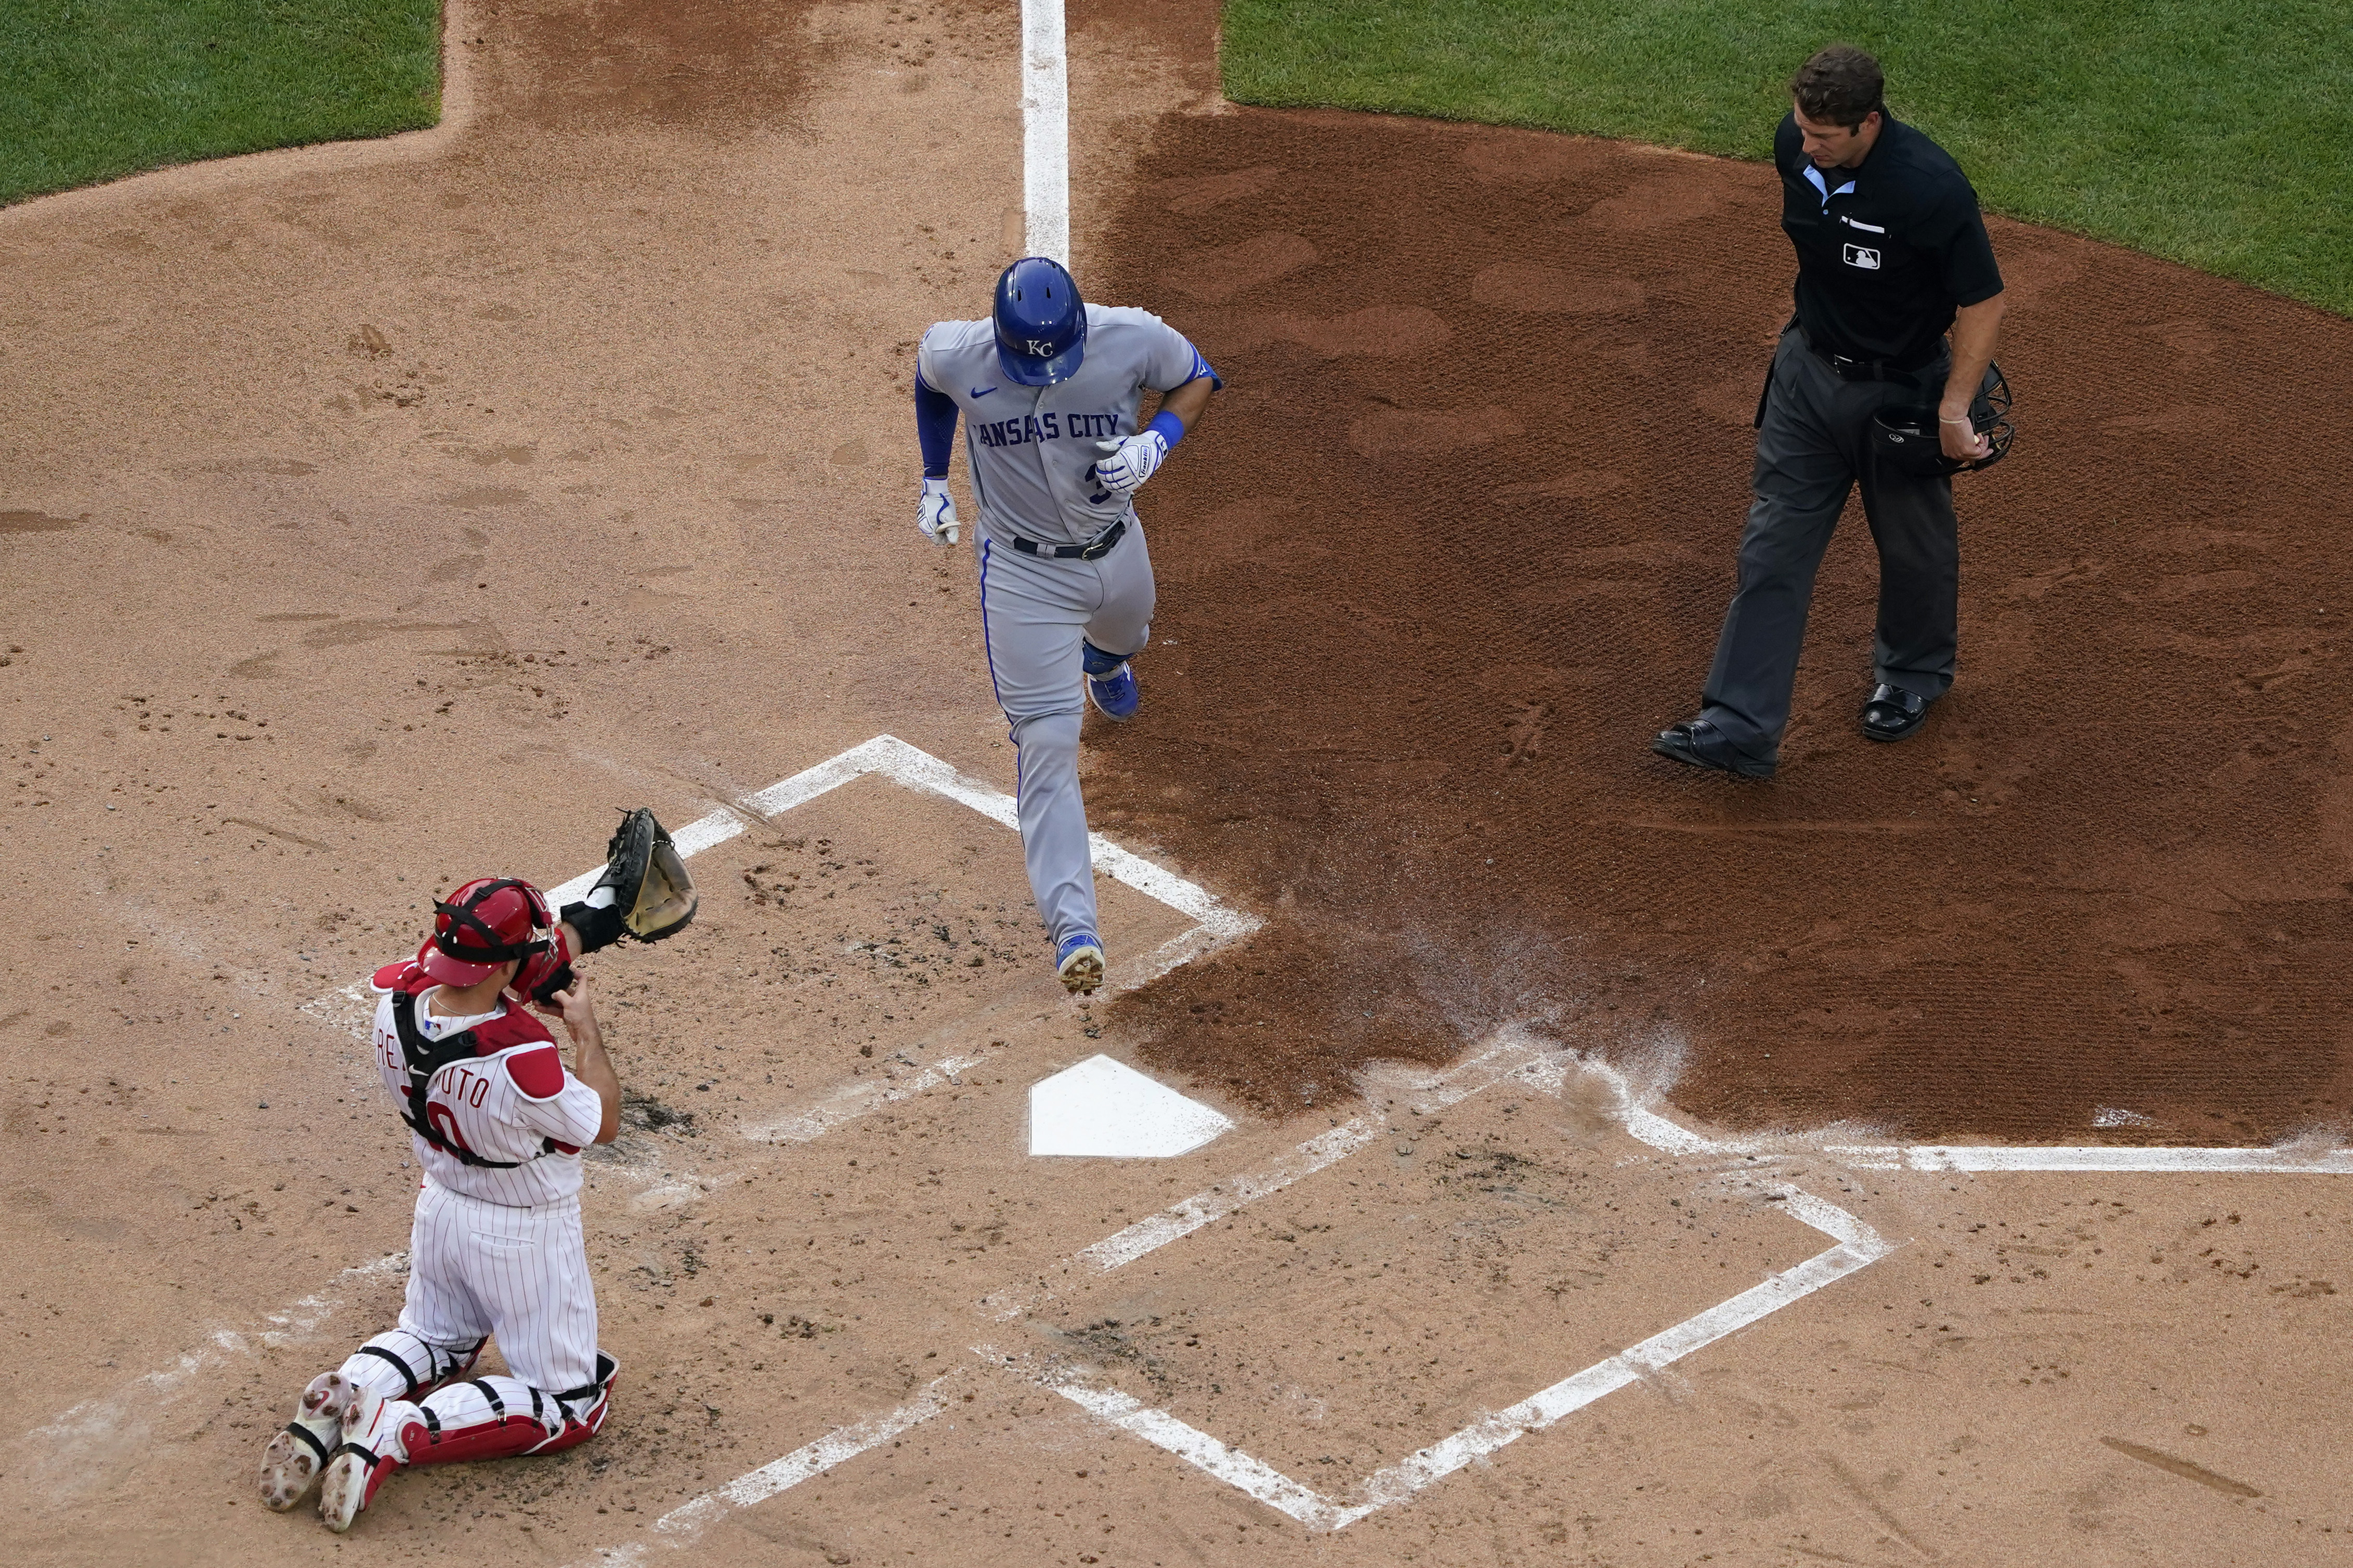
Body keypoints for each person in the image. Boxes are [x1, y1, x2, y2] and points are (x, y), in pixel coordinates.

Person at [257, 813, 695, 1532]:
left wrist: (602, 914)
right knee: (570, 1402)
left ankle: (341, 1401)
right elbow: (602, 1122)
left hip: (442, 1213)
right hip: (522, 1239)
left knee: (435, 1338)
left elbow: (487, 979)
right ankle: (391, 1434)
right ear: (499, 969)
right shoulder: (524, 1061)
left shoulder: (392, 1005)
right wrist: (585, 1028)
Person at [1656, 44, 2006, 779]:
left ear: (1868, 124)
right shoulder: (1795, 144)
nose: (1804, 145)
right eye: (1800, 129)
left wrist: (1951, 406)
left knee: (1913, 547)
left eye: (1823, 137)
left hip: (1901, 390)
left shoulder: (1928, 187)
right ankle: (1738, 725)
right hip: (1806, 376)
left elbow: (1981, 298)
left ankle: (1911, 675)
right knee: (1770, 547)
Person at [911, 256, 1221, 992]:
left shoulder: (1129, 337)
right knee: (1046, 743)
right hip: (1024, 577)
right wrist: (931, 482)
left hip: (1117, 549)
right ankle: (1073, 925)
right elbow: (929, 386)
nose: (1046, 372)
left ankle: (1105, 662)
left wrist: (1158, 440)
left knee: (1129, 634)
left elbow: (1200, 373)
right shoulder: (960, 353)